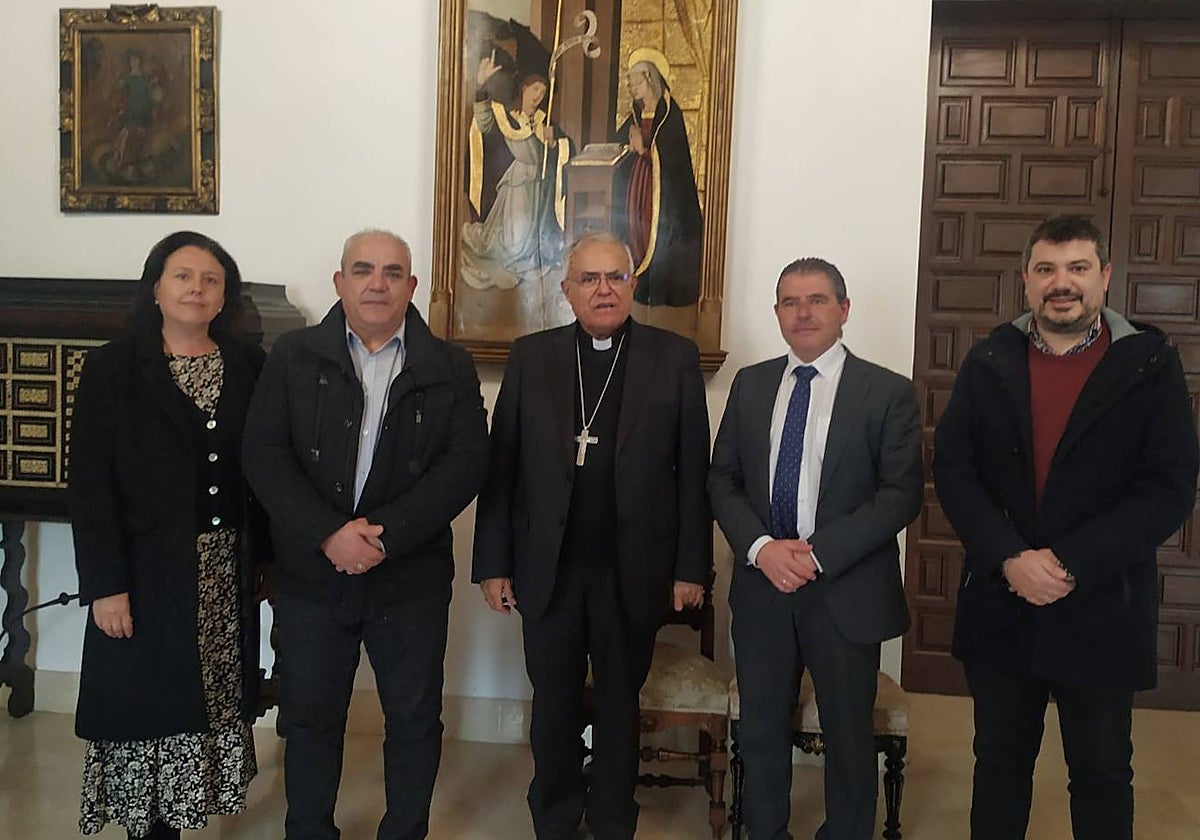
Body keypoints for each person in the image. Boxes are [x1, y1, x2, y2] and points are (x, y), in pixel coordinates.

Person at [932, 215, 1199, 840]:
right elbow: (953, 468)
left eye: (1078, 268)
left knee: (1102, 770)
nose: (1062, 283)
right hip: (1003, 600)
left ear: (1104, 276)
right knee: (998, 765)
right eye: (1047, 269)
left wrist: (1070, 562)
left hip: (1102, 604)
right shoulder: (988, 357)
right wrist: (1009, 558)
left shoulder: (1150, 362)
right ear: (1026, 281)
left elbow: (1167, 488)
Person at [242, 230, 489, 840]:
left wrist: (385, 537)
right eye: (362, 270)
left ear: (412, 286)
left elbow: (466, 463)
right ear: (340, 282)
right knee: (308, 719)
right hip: (311, 575)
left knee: (412, 719)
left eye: (392, 272)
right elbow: (264, 454)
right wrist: (329, 534)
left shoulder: (449, 366)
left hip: (408, 578)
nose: (377, 282)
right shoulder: (293, 355)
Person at [472, 230, 711, 840]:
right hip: (547, 568)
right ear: (567, 288)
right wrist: (492, 564)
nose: (603, 290)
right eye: (589, 279)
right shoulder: (532, 356)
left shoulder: (673, 357)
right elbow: (503, 470)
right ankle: (553, 817)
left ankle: (610, 820)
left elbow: (693, 476)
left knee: (617, 706)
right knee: (552, 704)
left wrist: (690, 568)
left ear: (633, 284)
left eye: (615, 277)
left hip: (632, 569)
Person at [709, 258, 922, 840]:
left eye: (817, 300)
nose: (803, 313)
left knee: (849, 735)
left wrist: (815, 553)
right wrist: (761, 548)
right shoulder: (751, 386)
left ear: (844, 310)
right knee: (760, 730)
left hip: (845, 588)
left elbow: (900, 495)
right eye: (789, 302)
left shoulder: (887, 392)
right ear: (777, 313)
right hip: (763, 587)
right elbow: (720, 479)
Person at [71, 231, 268, 839]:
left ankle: (181, 819)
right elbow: (90, 486)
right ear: (155, 286)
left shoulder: (248, 364)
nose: (197, 289)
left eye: (211, 279)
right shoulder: (112, 367)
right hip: (143, 575)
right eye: (182, 276)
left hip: (221, 575)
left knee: (202, 709)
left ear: (224, 294)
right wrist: (105, 586)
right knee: (145, 708)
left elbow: (264, 469)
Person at [461, 50, 572, 293]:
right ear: (523, 90)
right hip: (516, 185)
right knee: (512, 242)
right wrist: (480, 85)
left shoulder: (547, 124)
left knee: (529, 243)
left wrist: (554, 143)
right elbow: (484, 123)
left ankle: (525, 259)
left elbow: (565, 151)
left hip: (538, 193)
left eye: (542, 93)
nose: (537, 97)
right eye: (534, 90)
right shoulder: (508, 119)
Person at [612, 48, 704, 332]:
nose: (630, 86)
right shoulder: (637, 114)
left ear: (650, 79)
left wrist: (643, 149)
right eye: (629, 81)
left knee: (656, 237)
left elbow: (672, 159)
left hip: (663, 196)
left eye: (635, 80)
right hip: (639, 188)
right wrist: (628, 149)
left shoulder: (668, 114)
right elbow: (620, 142)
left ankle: (657, 288)